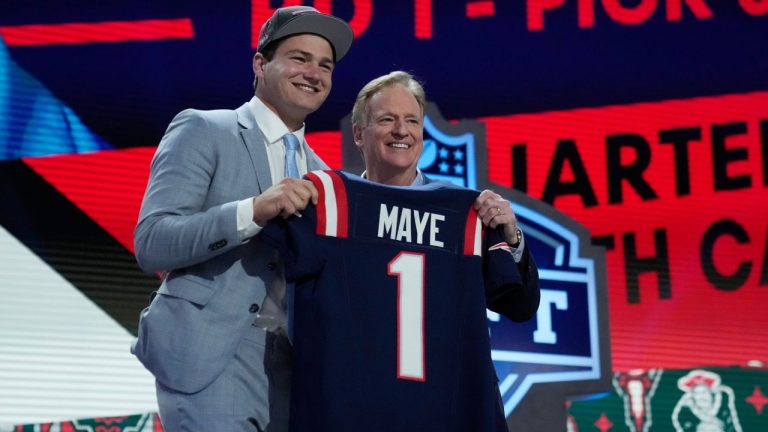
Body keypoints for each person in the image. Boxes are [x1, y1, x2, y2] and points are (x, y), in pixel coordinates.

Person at [130, 6, 353, 431]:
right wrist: (253, 210)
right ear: (260, 64)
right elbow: (153, 242)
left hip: (294, 367)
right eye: (299, 58)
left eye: (325, 65)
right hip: (212, 355)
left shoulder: (327, 178)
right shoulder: (204, 129)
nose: (314, 73)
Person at [351, 71, 538, 299]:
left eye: (412, 121)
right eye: (387, 119)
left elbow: (519, 306)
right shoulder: (339, 209)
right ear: (359, 133)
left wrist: (511, 239)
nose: (401, 131)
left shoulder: (463, 212)